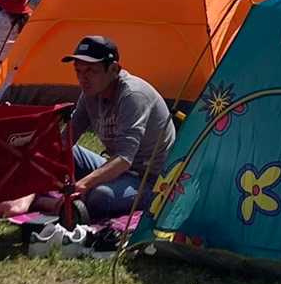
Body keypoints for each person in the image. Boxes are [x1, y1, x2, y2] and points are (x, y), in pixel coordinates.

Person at [26, 36, 175, 222]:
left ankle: (49, 203)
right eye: (78, 71)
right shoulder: (90, 93)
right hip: (118, 169)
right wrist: (35, 160)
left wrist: (82, 185)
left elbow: (124, 160)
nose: (83, 78)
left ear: (114, 69)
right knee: (63, 154)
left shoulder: (133, 95)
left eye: (91, 71)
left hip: (149, 179)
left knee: (100, 197)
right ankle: (43, 199)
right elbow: (67, 139)